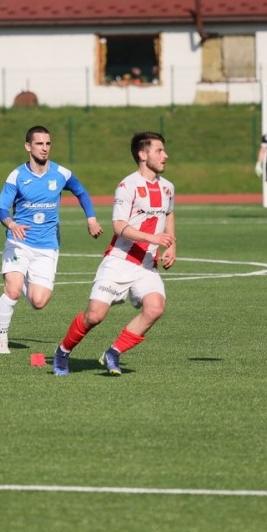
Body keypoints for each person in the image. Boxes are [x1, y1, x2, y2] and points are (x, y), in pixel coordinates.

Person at [52, 131, 176, 376]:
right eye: (159, 150)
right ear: (143, 155)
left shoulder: (167, 187)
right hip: (119, 261)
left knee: (155, 308)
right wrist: (153, 238)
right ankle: (63, 351)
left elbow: (169, 213)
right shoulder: (127, 186)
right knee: (95, 316)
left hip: (146, 265)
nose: (165, 155)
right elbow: (119, 226)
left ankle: (114, 352)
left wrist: (171, 245)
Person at [0, 125, 103, 355]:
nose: (44, 148)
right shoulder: (17, 176)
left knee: (39, 302)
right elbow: (2, 209)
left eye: (47, 144)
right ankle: (1, 338)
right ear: (28, 146)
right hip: (19, 242)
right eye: (39, 144)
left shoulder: (61, 173)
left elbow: (81, 192)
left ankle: (22, 279)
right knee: (12, 291)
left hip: (47, 245)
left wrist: (91, 219)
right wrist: (11, 224)